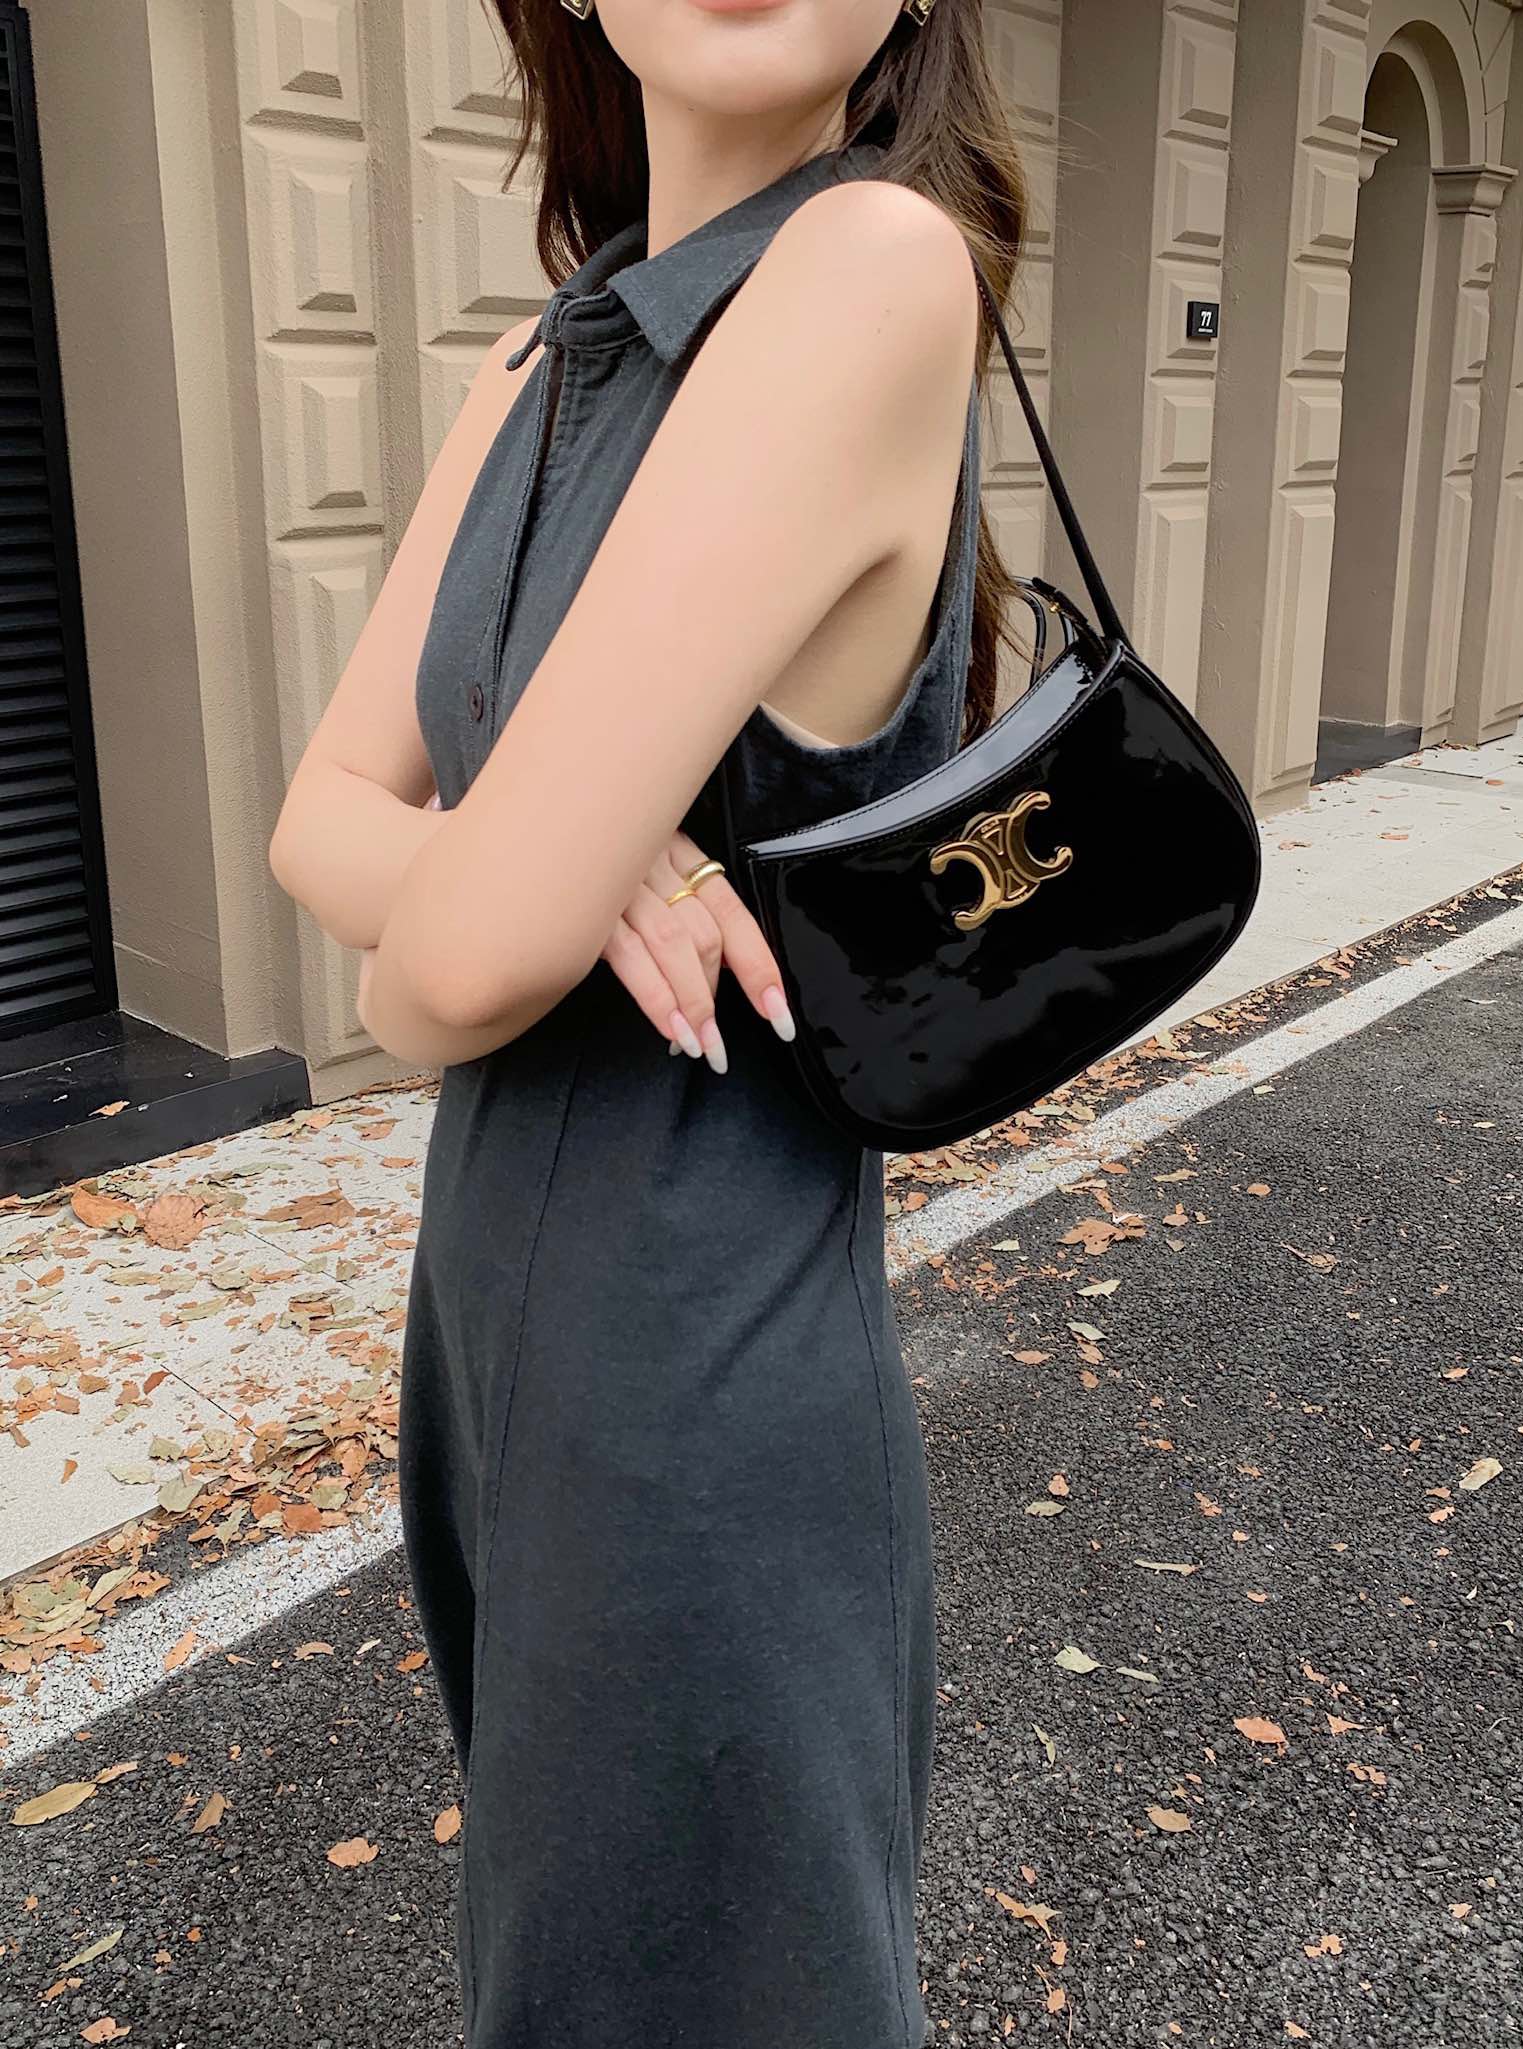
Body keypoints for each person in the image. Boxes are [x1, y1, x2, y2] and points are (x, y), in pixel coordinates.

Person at [268, 0, 1028, 2040]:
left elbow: (442, 971)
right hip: (491, 1335)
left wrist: (469, 914)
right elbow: (311, 815)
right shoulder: (535, 364)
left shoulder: (866, 265)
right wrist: (540, 865)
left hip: (698, 1371)